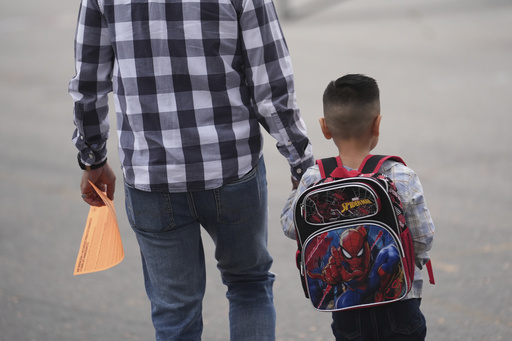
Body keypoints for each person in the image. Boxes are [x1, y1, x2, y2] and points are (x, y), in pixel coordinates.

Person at [68, 0, 314, 340]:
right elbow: (271, 84)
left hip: (151, 177)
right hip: (231, 168)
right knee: (249, 285)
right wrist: (301, 162)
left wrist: (93, 157)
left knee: (175, 313)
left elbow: (88, 84)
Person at [280, 74, 434, 340]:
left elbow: (291, 228)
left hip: (347, 311)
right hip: (401, 304)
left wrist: (296, 190)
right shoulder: (401, 175)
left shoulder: (314, 179)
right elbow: (423, 237)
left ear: (324, 128)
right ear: (377, 124)